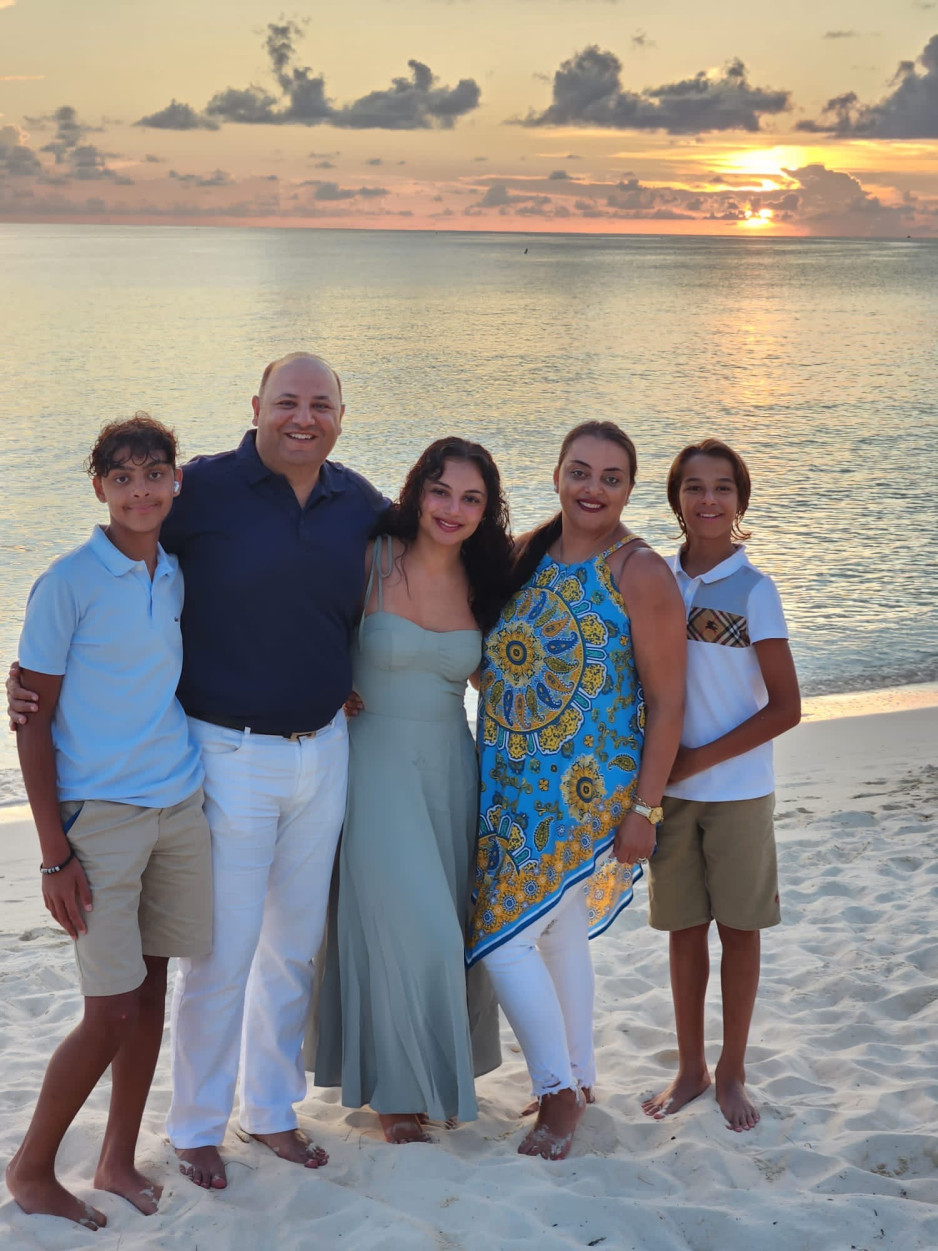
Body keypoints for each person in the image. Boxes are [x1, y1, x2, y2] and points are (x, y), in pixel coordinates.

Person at [7, 353, 387, 1190]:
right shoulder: (201, 490)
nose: (302, 416)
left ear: (340, 414)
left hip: (324, 750)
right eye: (286, 400)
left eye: (320, 404)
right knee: (223, 949)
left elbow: (428, 559)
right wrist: (31, 683)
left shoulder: (356, 501)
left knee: (294, 945)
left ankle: (273, 1110)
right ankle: (196, 1125)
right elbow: (105, 561)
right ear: (255, 406)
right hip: (223, 754)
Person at [5, 416, 211, 1231]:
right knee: (110, 1006)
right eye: (122, 477)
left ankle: (116, 1156)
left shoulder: (175, 573)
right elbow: (30, 718)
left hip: (179, 801)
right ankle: (30, 1167)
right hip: (102, 818)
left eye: (154, 473)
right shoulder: (67, 582)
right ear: (99, 488)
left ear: (176, 481)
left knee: (152, 987)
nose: (140, 490)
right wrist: (55, 854)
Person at [467, 420, 687, 1160]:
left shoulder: (640, 572)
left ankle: (558, 1093)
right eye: (581, 472)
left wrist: (645, 808)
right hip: (510, 780)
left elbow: (668, 702)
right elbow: (489, 653)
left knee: (501, 940)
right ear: (557, 474)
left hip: (585, 791)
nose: (594, 488)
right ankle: (581, 1075)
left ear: (629, 487)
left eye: (612, 476)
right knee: (556, 932)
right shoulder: (526, 554)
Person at [311, 438, 511, 1143]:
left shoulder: (488, 585)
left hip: (452, 769)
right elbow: (301, 621)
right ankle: (397, 1095)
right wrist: (325, 688)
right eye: (441, 490)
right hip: (374, 763)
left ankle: (421, 1081)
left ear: (487, 511)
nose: (452, 509)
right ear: (416, 491)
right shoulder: (372, 559)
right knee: (410, 923)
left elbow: (511, 678)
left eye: (471, 497)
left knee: (445, 928)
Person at [641, 439, 800, 1132]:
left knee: (738, 932)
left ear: (741, 499)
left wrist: (698, 759)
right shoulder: (656, 580)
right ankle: (690, 1067)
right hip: (668, 793)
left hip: (735, 793)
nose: (709, 500)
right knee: (682, 931)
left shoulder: (754, 589)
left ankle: (732, 1069)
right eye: (695, 487)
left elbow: (786, 706)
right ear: (676, 497)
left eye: (723, 487)